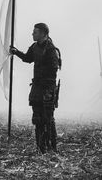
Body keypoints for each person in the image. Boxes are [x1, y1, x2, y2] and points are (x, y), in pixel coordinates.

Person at [10, 23, 61, 153]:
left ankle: (51, 148)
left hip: (47, 89)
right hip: (37, 88)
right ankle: (40, 148)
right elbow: (28, 58)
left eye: (35, 32)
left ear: (43, 33)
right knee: (37, 119)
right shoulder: (35, 47)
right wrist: (16, 52)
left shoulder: (51, 50)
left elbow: (53, 70)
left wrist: (45, 85)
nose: (32, 34)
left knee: (48, 119)